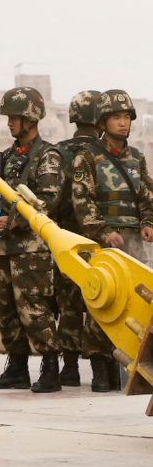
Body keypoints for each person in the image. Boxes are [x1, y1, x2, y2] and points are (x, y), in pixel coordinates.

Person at [0, 87, 64, 393]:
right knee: (7, 310)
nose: (10, 123)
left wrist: (14, 221)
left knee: (35, 308)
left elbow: (48, 199)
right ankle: (16, 367)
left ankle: (50, 367)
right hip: (2, 248)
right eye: (9, 117)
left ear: (31, 118)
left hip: (32, 251)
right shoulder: (2, 158)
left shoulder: (48, 156)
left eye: (15, 117)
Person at [72, 89, 153, 392]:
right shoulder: (88, 157)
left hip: (134, 244)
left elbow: (148, 198)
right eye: (116, 117)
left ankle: (130, 364)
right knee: (102, 302)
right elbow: (82, 203)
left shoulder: (137, 159)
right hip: (104, 243)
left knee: (136, 302)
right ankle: (99, 368)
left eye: (126, 117)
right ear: (103, 121)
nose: (122, 123)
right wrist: (104, 232)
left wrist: (147, 223)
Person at [52, 91, 101, 387]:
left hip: (65, 241)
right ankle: (103, 372)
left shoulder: (57, 152)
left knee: (68, 303)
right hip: (98, 240)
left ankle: (69, 368)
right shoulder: (103, 152)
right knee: (100, 302)